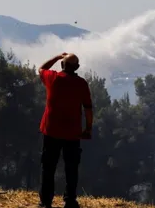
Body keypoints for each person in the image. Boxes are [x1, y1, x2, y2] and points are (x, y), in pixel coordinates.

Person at [37, 53, 93, 208]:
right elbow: (88, 108)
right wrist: (88, 129)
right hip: (72, 133)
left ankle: (45, 202)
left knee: (48, 167)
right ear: (77, 67)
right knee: (71, 168)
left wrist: (57, 57)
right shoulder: (81, 84)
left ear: (62, 65)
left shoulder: (52, 78)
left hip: (51, 130)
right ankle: (69, 201)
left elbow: (41, 68)